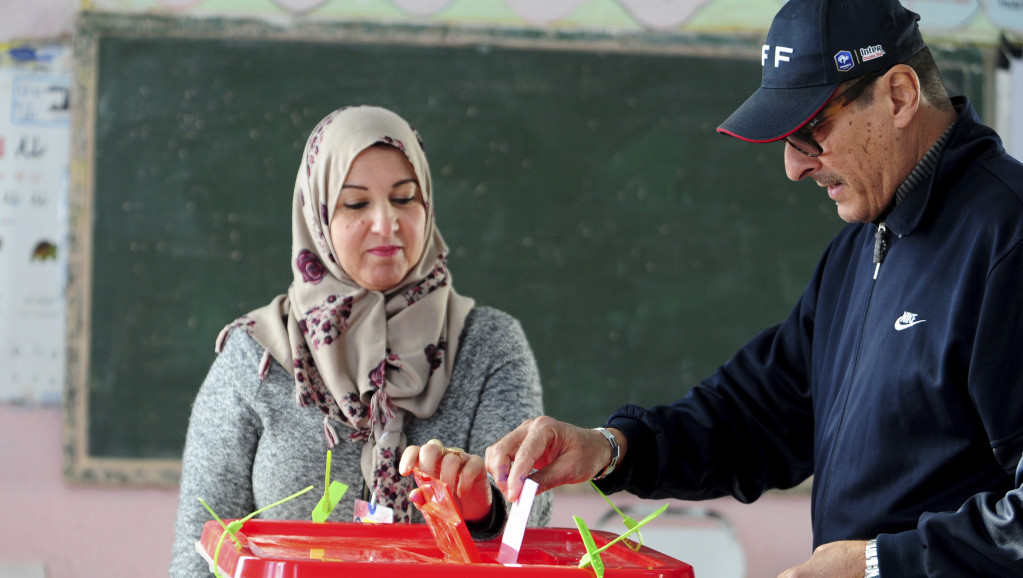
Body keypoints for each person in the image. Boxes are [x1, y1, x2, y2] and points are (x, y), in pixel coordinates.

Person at [484, 1, 1023, 576]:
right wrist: (611, 449)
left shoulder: (1007, 238)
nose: (794, 167)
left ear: (898, 95)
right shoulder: (862, 245)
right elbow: (760, 417)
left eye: (811, 129)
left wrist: (878, 564)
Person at [170, 105, 550, 576]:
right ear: (318, 216)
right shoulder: (256, 356)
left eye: (405, 198)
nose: (386, 223)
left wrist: (482, 507)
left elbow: (530, 536)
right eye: (355, 204)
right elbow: (199, 551)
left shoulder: (489, 345)